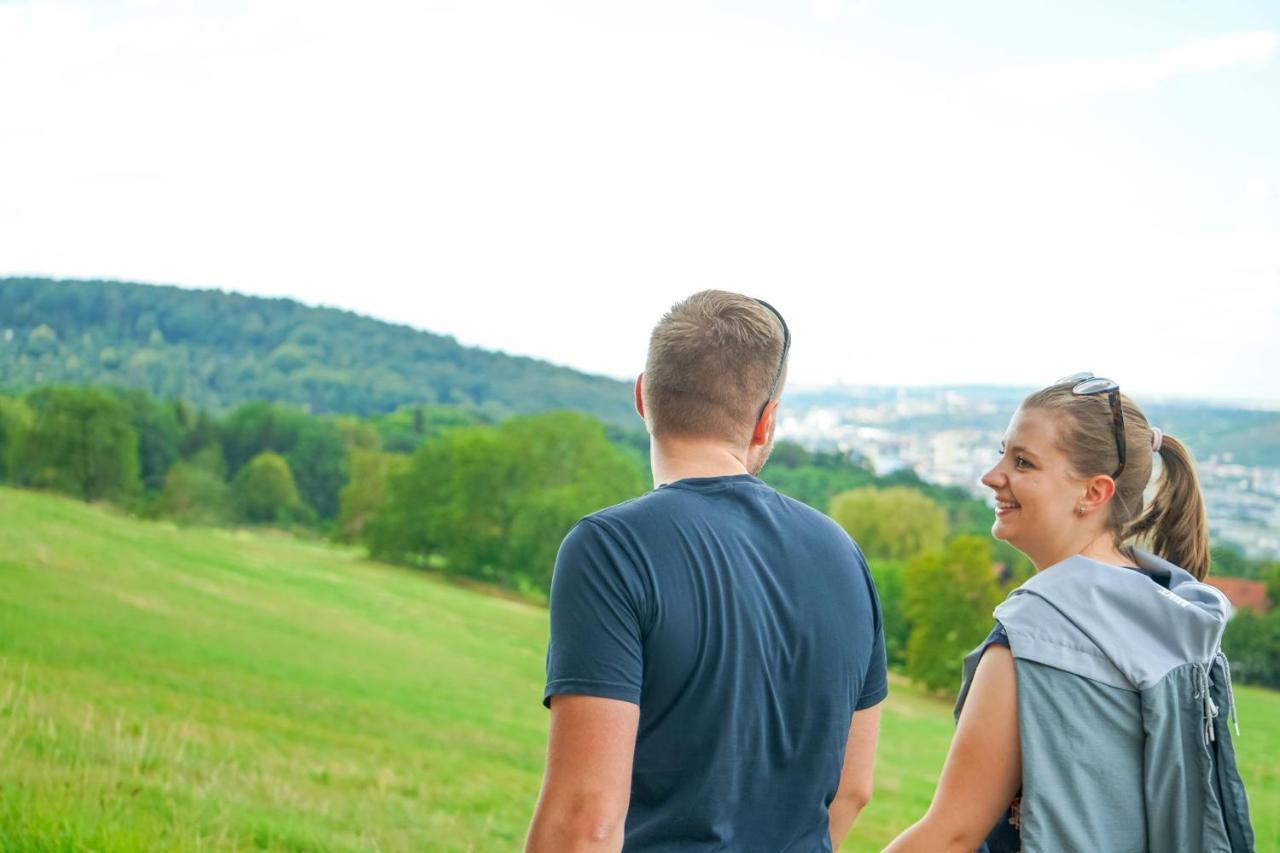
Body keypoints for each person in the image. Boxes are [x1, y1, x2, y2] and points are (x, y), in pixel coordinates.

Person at [524, 290, 888, 852]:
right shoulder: (844, 554)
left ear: (643, 396)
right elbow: (852, 789)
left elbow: (586, 819)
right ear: (765, 423)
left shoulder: (611, 548)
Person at [886, 373, 1255, 853]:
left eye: (1023, 462)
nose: (992, 475)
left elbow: (951, 835)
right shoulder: (1166, 614)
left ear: (1094, 493)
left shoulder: (1035, 635)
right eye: (1003, 452)